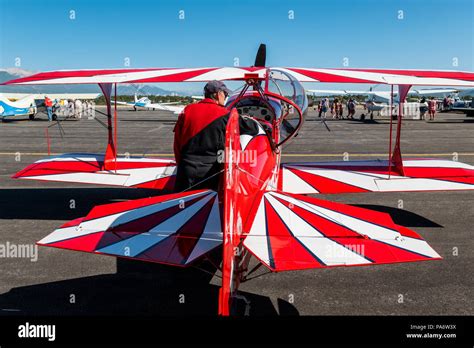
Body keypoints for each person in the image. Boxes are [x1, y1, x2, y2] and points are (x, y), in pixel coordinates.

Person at [173, 80, 257, 192]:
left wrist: (181, 165)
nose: (225, 97)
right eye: (225, 94)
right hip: (209, 174)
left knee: (181, 205)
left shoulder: (187, 110)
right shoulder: (224, 114)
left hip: (185, 170)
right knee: (207, 206)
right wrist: (252, 119)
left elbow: (177, 142)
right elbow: (252, 128)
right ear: (218, 94)